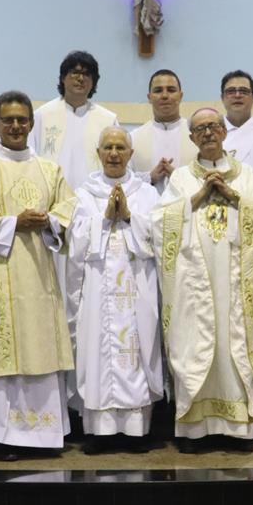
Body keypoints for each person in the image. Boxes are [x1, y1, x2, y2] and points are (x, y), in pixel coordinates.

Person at [0, 90, 76, 461]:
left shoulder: (49, 170)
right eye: (8, 120)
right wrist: (13, 223)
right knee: (3, 351)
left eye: (22, 120)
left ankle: (43, 435)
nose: (16, 126)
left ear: (32, 123)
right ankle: (2, 436)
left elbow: (69, 210)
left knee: (39, 347)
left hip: (39, 276)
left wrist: (49, 221)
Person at [153, 107, 253, 453]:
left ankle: (238, 428)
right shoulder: (180, 179)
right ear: (192, 138)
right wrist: (199, 196)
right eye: (200, 128)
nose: (208, 133)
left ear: (224, 132)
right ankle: (195, 430)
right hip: (195, 283)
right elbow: (160, 223)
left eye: (214, 126)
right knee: (196, 344)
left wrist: (233, 196)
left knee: (233, 345)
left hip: (235, 280)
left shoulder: (248, 176)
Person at [66, 126, 163, 454]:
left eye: (120, 147)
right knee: (98, 351)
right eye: (107, 147)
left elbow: (160, 235)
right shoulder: (84, 193)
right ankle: (100, 432)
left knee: (137, 352)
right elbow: (74, 240)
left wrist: (130, 217)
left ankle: (136, 430)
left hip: (137, 285)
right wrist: (105, 219)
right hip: (97, 288)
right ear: (98, 153)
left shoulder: (147, 193)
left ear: (131, 154)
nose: (113, 153)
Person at [31, 51, 118, 190]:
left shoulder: (108, 121)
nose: (81, 78)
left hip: (95, 197)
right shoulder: (42, 115)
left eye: (87, 74)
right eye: (75, 73)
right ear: (63, 78)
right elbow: (30, 157)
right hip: (50, 194)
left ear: (93, 83)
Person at [129, 69, 196, 193]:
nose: (165, 95)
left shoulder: (196, 135)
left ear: (181, 96)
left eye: (171, 90)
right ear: (149, 97)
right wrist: (149, 178)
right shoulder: (133, 138)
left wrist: (178, 177)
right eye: (158, 90)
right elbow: (124, 181)